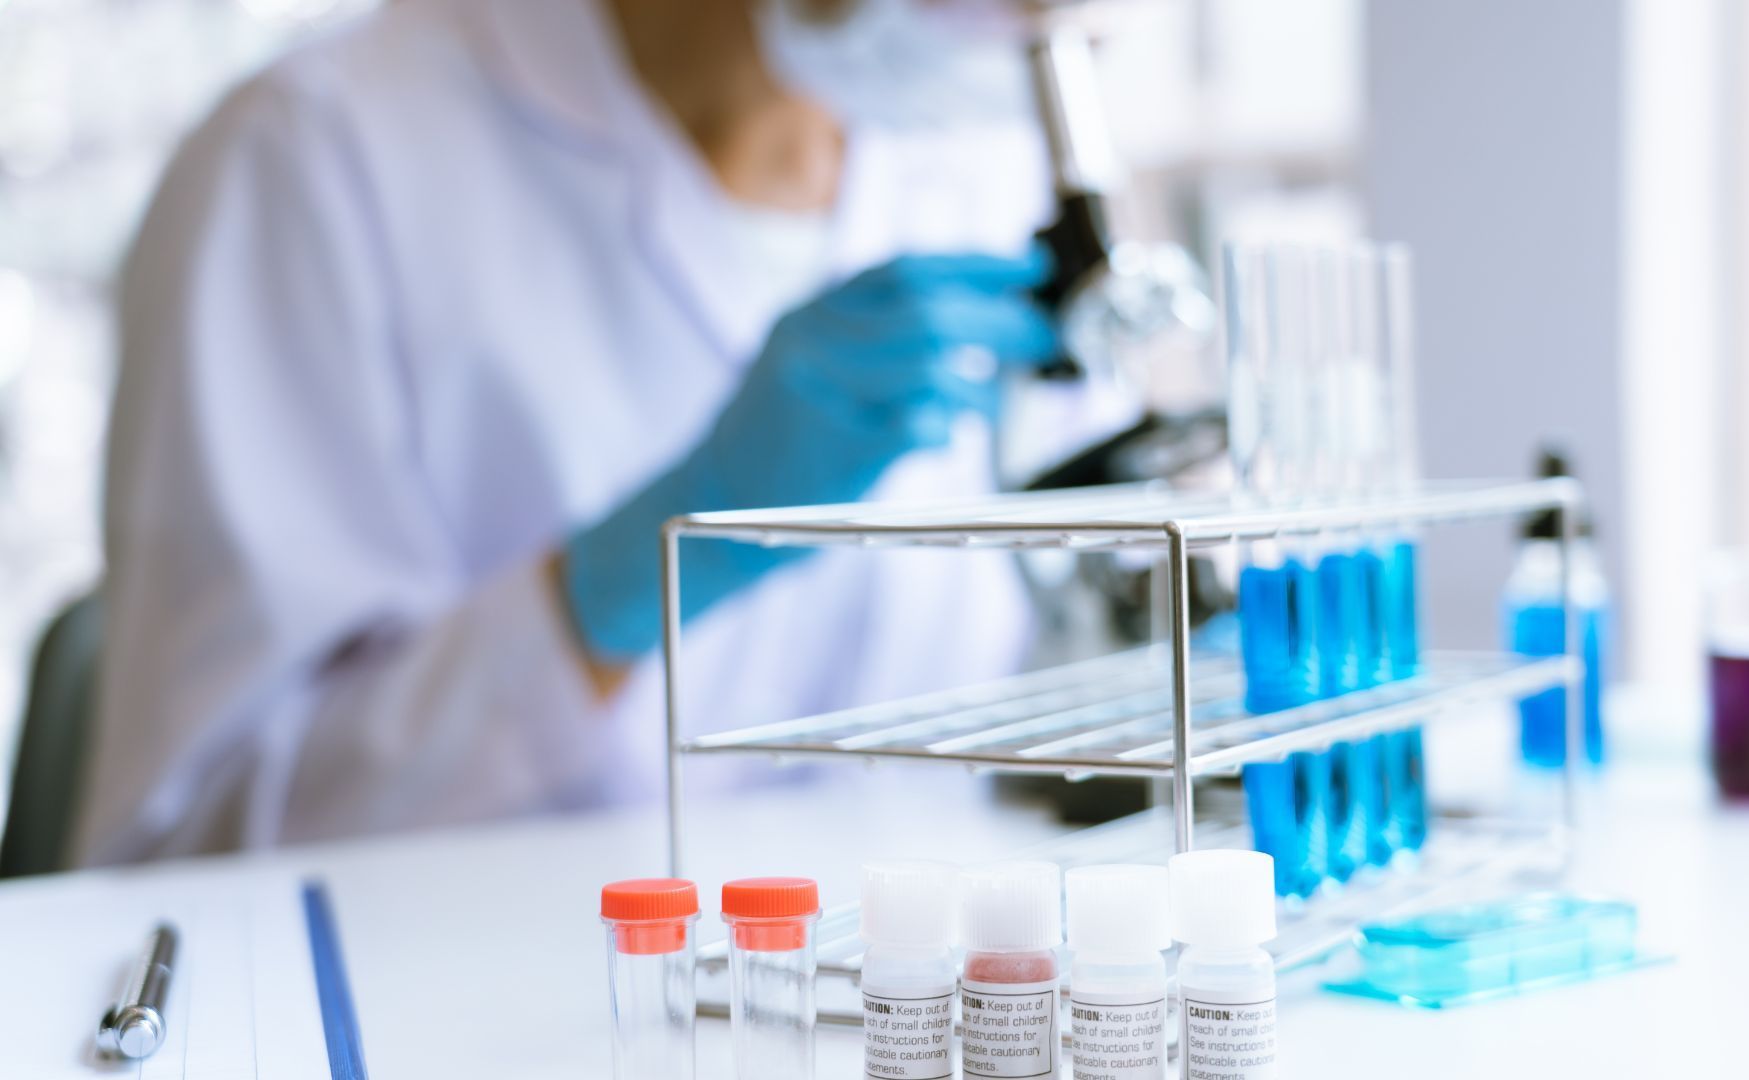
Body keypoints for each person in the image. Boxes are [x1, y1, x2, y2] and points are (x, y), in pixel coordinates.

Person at [75, 0, 1127, 863]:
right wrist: (616, 587)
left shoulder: (978, 149)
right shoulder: (311, 158)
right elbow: (192, 849)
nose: (1033, 19)